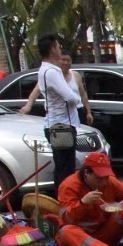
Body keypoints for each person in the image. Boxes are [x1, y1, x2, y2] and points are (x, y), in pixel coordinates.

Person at [29, 34, 88, 184]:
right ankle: (64, 199)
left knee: (63, 165)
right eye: (57, 46)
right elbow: (71, 96)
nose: (60, 49)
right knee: (65, 167)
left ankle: (63, 198)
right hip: (62, 126)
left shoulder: (46, 70)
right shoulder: (52, 72)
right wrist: (76, 101)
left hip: (57, 124)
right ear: (52, 49)